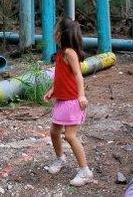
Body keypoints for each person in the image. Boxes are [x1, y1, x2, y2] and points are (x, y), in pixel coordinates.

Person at [44, 18, 94, 187]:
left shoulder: (70, 53)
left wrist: (81, 96)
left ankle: (85, 171)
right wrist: (53, 90)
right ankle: (60, 158)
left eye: (57, 31)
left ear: (62, 35)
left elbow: (78, 75)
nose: (54, 34)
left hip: (73, 101)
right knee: (53, 131)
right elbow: (61, 77)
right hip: (62, 100)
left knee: (70, 136)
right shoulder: (60, 53)